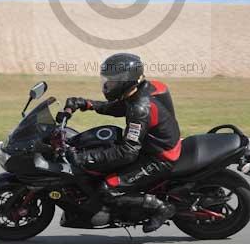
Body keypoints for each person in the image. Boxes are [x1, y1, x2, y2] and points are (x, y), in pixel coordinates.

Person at [62, 53, 181, 233]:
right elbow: (121, 107)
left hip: (159, 158)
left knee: (107, 189)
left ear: (127, 80)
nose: (108, 85)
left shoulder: (140, 108)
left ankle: (161, 207)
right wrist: (86, 104)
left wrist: (84, 158)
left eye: (113, 81)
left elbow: (128, 152)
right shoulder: (149, 88)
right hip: (155, 144)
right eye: (107, 80)